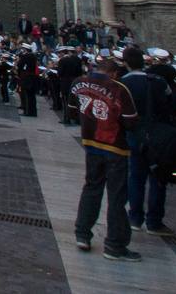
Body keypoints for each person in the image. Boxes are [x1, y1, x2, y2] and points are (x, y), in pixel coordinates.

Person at [72, 57, 140, 261]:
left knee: (91, 187)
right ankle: (114, 244)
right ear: (114, 73)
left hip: (90, 142)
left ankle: (82, 233)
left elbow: (73, 111)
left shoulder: (79, 82)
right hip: (114, 145)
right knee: (117, 195)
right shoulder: (119, 88)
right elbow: (130, 121)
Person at [120, 45, 175, 235]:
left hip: (135, 134)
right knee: (159, 178)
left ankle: (135, 218)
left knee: (135, 177)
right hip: (159, 134)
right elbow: (171, 104)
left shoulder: (123, 83)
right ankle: (154, 221)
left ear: (125, 63)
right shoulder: (159, 81)